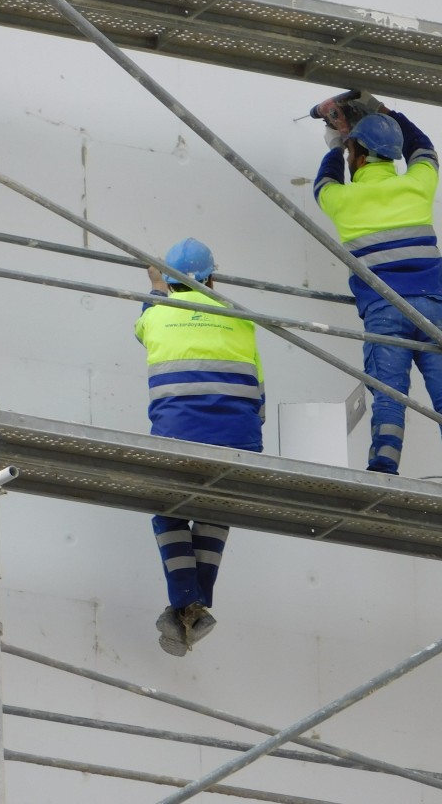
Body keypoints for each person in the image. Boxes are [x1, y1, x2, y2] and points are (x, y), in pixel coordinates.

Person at [313, 93, 442, 487]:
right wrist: (388, 113)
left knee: (390, 393)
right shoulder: (417, 186)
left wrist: (337, 141)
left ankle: (384, 468)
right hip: (435, 308)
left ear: (359, 155)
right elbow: (426, 150)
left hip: (386, 310)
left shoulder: (345, 200)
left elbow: (324, 184)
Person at [134, 238, 265, 656]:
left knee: (168, 513)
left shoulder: (157, 315)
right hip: (241, 439)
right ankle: (192, 607)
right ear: (213, 277)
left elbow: (145, 322)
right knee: (214, 511)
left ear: (170, 283)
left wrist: (154, 287)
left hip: (178, 435)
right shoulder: (242, 318)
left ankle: (187, 601)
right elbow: (258, 394)